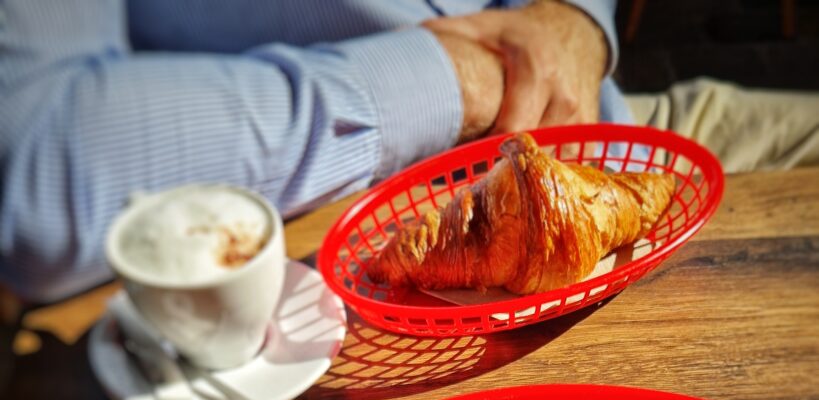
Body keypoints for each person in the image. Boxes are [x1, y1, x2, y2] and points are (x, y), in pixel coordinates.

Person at [0, 0, 625, 304]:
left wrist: (576, 20)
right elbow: (33, 152)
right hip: (337, 283)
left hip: (617, 156)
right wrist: (452, 80)